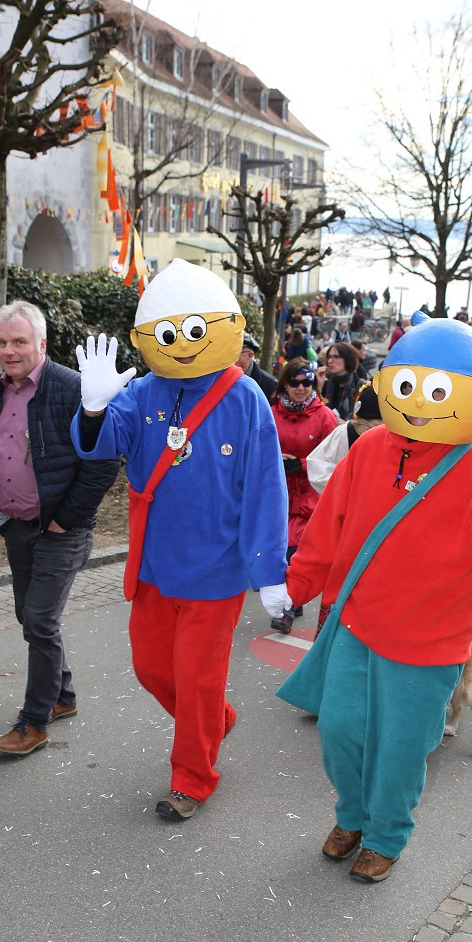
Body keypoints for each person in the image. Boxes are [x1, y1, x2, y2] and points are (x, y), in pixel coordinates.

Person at [275, 312, 472, 883]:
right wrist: (294, 586)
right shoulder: (372, 446)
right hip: (355, 627)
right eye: (409, 386)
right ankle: (352, 814)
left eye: (441, 391)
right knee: (340, 732)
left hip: (427, 644)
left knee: (400, 750)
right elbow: (328, 525)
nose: (422, 402)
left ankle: (384, 834)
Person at [72, 260, 288, 821]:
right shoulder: (143, 391)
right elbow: (100, 445)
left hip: (216, 572)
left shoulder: (245, 401)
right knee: (152, 669)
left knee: (195, 678)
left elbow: (266, 489)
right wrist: (93, 407)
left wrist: (268, 572)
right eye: (170, 335)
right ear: (149, 339)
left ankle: (193, 777)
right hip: (153, 564)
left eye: (196, 330)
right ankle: (213, 719)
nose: (183, 345)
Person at [0, 300, 120, 756]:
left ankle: (34, 722)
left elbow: (101, 464)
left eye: (19, 341)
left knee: (39, 619)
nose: (9, 350)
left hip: (62, 529)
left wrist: (66, 518)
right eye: (2, 342)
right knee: (29, 616)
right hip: (17, 525)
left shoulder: (71, 387)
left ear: (42, 343)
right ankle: (63, 696)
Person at [269, 360, 338, 634]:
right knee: (279, 554)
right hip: (277, 494)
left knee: (295, 553)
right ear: (285, 382)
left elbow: (335, 457)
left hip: (310, 498)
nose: (300, 388)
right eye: (295, 382)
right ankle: (289, 602)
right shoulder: (271, 413)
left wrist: (302, 464)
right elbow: (258, 446)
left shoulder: (325, 417)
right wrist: (276, 460)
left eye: (307, 382)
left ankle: (287, 608)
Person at [306, 381, 382, 496]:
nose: (366, 434)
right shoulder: (346, 433)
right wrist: (346, 486)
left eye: (375, 427)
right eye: (364, 427)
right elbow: (317, 465)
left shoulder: (396, 441)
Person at [323, 342, 363, 420]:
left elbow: (365, 423)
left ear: (347, 359)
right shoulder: (327, 384)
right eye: (329, 357)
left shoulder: (361, 386)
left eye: (335, 357)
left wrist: (347, 425)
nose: (330, 361)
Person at [234, 331, 277, 402]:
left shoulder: (269, 384)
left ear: (250, 355)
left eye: (235, 354)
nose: (229, 359)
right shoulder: (221, 378)